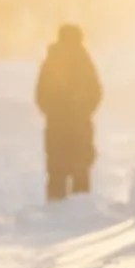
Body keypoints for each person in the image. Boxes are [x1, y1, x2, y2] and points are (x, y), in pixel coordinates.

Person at [35, 24, 102, 202]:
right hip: (78, 124)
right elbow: (96, 92)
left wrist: (52, 112)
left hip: (57, 124)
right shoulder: (84, 61)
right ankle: (80, 209)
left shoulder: (51, 61)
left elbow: (40, 94)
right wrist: (84, 111)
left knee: (57, 168)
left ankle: (56, 208)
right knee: (80, 168)